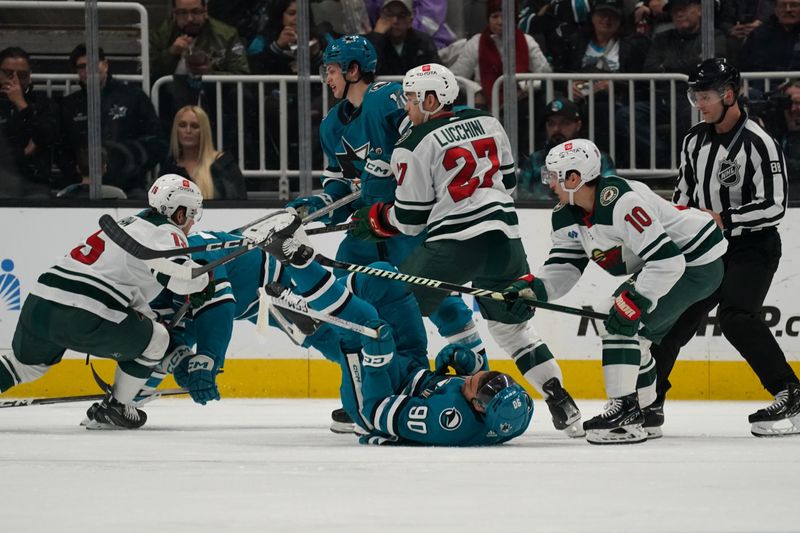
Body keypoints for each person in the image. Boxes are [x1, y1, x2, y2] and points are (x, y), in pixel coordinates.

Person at [351, 63, 585, 437]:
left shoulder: (411, 144)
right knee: (512, 330)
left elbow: (411, 219)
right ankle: (560, 398)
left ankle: (378, 394)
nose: (407, 106)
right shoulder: (488, 121)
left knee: (395, 306)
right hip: (505, 240)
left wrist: (376, 219)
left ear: (431, 99)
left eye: (411, 98)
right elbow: (508, 184)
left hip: (453, 246)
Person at [287, 36, 487, 375]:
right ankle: (365, 383)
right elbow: (339, 184)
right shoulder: (331, 125)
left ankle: (478, 376)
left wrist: (393, 165)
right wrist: (318, 203)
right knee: (345, 301)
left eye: (332, 70)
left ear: (353, 70)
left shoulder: (388, 97)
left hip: (407, 220)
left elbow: (427, 137)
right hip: (367, 229)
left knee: (439, 300)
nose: (327, 78)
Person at [244, 214, 533, 445]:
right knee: (386, 279)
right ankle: (320, 307)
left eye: (485, 387)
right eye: (497, 378)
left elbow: (376, 412)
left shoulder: (449, 421)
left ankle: (293, 258)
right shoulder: (494, 405)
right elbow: (461, 381)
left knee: (368, 323)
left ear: (480, 409)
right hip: (413, 366)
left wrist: (376, 362)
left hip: (373, 392)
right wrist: (459, 364)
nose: (485, 378)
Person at [525, 138, 727, 444]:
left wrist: (635, 301)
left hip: (696, 263)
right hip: (671, 262)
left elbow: (669, 261)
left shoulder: (620, 201)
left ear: (575, 178)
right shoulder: (568, 213)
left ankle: (626, 412)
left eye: (554, 176)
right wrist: (534, 291)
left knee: (618, 320)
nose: (549, 182)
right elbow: (564, 268)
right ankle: (647, 413)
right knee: (631, 329)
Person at [649, 58, 800, 438]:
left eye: (704, 96)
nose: (698, 103)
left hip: (753, 247)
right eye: (695, 96)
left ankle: (791, 391)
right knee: (673, 319)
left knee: (736, 316)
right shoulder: (694, 140)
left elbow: (774, 205)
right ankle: (648, 400)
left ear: (728, 94)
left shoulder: (759, 143)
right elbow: (684, 196)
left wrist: (725, 218)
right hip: (706, 248)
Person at [0, 174, 214, 429]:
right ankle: (116, 408)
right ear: (179, 214)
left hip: (41, 302)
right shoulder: (168, 232)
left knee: (24, 365)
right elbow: (178, 277)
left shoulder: (128, 223)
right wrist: (203, 281)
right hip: (86, 311)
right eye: (191, 216)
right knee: (157, 339)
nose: (191, 224)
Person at [58, 45, 168, 199]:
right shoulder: (70, 105)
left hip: (130, 188)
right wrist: (79, 173)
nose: (88, 71)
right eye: (82, 67)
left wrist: (126, 163)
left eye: (93, 64)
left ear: (105, 64)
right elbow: (61, 150)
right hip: (83, 188)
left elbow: (157, 142)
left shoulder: (133, 97)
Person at [518, 97, 616, 200]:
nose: (556, 129)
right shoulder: (534, 161)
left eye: (565, 123)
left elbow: (609, 193)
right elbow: (520, 194)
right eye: (551, 123)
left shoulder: (598, 159)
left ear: (578, 125)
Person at [0, 46, 60, 198]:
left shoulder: (43, 103)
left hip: (34, 181)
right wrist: (24, 152)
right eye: (8, 73)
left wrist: (21, 104)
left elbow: (48, 138)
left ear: (30, 76)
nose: (15, 80)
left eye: (22, 75)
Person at [161, 105, 247, 200]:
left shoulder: (223, 166)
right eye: (182, 125)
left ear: (204, 131)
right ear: (176, 130)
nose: (188, 131)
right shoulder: (170, 168)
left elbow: (238, 203)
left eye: (195, 126)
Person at [365, 0, 441, 76]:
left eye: (402, 15)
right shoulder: (367, 42)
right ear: (380, 17)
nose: (395, 21)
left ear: (410, 21)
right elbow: (366, 73)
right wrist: (377, 37)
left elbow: (438, 74)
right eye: (389, 14)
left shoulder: (423, 42)